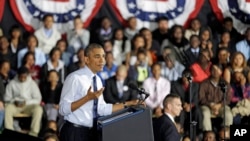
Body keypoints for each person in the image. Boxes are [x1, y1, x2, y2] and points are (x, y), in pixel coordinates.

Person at [59, 43, 138, 141]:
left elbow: (102, 109)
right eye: (97, 56)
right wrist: (86, 98)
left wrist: (129, 104)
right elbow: (62, 109)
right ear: (87, 59)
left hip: (91, 133)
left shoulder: (98, 80)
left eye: (103, 56)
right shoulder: (74, 78)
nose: (102, 61)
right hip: (74, 133)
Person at [4, 67, 43, 137]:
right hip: (15, 105)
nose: (22, 78)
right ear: (18, 75)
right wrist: (14, 101)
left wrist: (26, 102)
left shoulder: (32, 84)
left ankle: (34, 133)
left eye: (24, 76)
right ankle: (9, 132)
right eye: (21, 76)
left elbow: (38, 99)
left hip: (28, 105)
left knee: (38, 109)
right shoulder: (12, 83)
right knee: (7, 109)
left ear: (27, 75)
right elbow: (6, 98)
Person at [199, 64, 233, 131]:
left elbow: (228, 99)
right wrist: (211, 105)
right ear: (210, 71)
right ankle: (208, 134)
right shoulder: (204, 83)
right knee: (205, 113)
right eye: (213, 69)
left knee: (228, 114)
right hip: (207, 106)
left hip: (221, 106)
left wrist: (219, 105)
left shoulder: (225, 84)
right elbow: (201, 98)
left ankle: (224, 134)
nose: (216, 71)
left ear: (221, 72)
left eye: (218, 69)